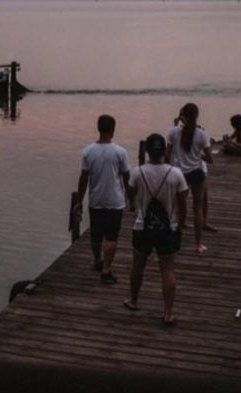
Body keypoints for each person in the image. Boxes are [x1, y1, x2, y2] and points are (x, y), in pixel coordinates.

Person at [124, 133, 189, 327]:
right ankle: (168, 312)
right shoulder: (176, 174)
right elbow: (183, 201)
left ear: (147, 151)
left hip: (142, 226)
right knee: (167, 268)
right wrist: (181, 225)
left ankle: (134, 301)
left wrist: (134, 204)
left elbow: (131, 194)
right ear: (164, 151)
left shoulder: (137, 172)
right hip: (168, 227)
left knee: (138, 265)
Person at [73, 114, 131, 284]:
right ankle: (106, 270)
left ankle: (98, 260)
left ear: (98, 128)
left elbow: (84, 178)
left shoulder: (88, 151)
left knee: (96, 235)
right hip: (115, 201)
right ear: (113, 129)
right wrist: (131, 198)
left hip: (95, 200)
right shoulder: (120, 152)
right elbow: (126, 177)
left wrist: (79, 201)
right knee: (112, 237)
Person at [167, 103, 214, 254]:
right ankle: (198, 244)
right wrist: (199, 155)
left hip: (179, 173)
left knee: (179, 205)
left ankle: (177, 238)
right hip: (196, 173)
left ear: (183, 116)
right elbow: (209, 158)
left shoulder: (173, 132)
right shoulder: (201, 134)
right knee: (197, 206)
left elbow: (167, 155)